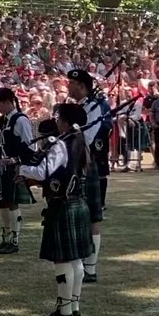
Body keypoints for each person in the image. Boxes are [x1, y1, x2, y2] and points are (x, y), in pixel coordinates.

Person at [18, 106, 94, 316]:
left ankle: (64, 311)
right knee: (76, 260)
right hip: (78, 202)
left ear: (66, 121)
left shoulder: (61, 143)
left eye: (59, 117)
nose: (56, 121)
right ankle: (74, 307)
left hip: (62, 205)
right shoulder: (80, 139)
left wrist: (22, 169)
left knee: (62, 260)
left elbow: (43, 172)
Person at [67, 69, 108, 284]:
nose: (68, 86)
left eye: (72, 83)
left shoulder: (93, 107)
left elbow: (88, 137)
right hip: (70, 163)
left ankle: (91, 267)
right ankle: (80, 260)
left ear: (82, 86)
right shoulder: (74, 106)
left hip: (85, 162)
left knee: (92, 215)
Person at [0, 87, 35, 254]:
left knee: (12, 202)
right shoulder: (2, 120)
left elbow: (30, 145)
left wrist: (15, 160)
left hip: (15, 166)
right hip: (3, 166)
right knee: (2, 200)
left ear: (8, 102)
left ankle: (14, 240)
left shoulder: (20, 120)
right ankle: (6, 238)